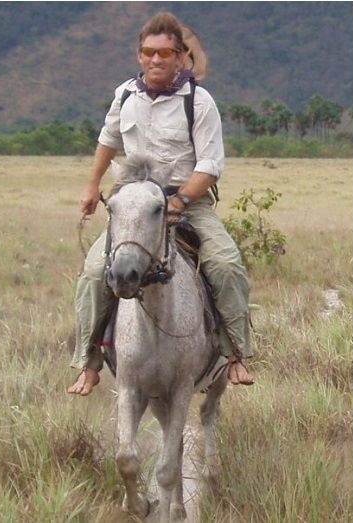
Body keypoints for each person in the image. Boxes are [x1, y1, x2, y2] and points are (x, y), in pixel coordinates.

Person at [67, 11, 254, 396]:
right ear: (139, 55)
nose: (156, 59)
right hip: (134, 203)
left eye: (165, 53)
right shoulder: (125, 95)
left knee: (225, 264)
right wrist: (92, 186)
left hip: (187, 200)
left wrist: (180, 201)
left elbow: (210, 165)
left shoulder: (199, 102)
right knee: (94, 272)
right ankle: (89, 361)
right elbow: (108, 141)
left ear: (180, 56)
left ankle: (235, 353)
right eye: (149, 52)